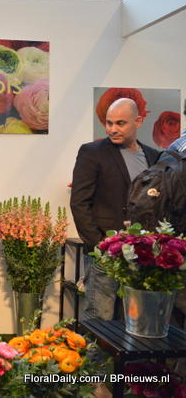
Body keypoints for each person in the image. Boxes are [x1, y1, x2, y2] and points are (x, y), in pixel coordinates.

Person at [70, 97, 159, 320]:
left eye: (120, 123)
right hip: (104, 253)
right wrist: (99, 245)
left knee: (139, 318)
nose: (112, 129)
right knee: (100, 317)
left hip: (142, 254)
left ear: (138, 121)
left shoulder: (154, 156)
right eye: (109, 123)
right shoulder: (92, 152)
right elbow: (80, 203)